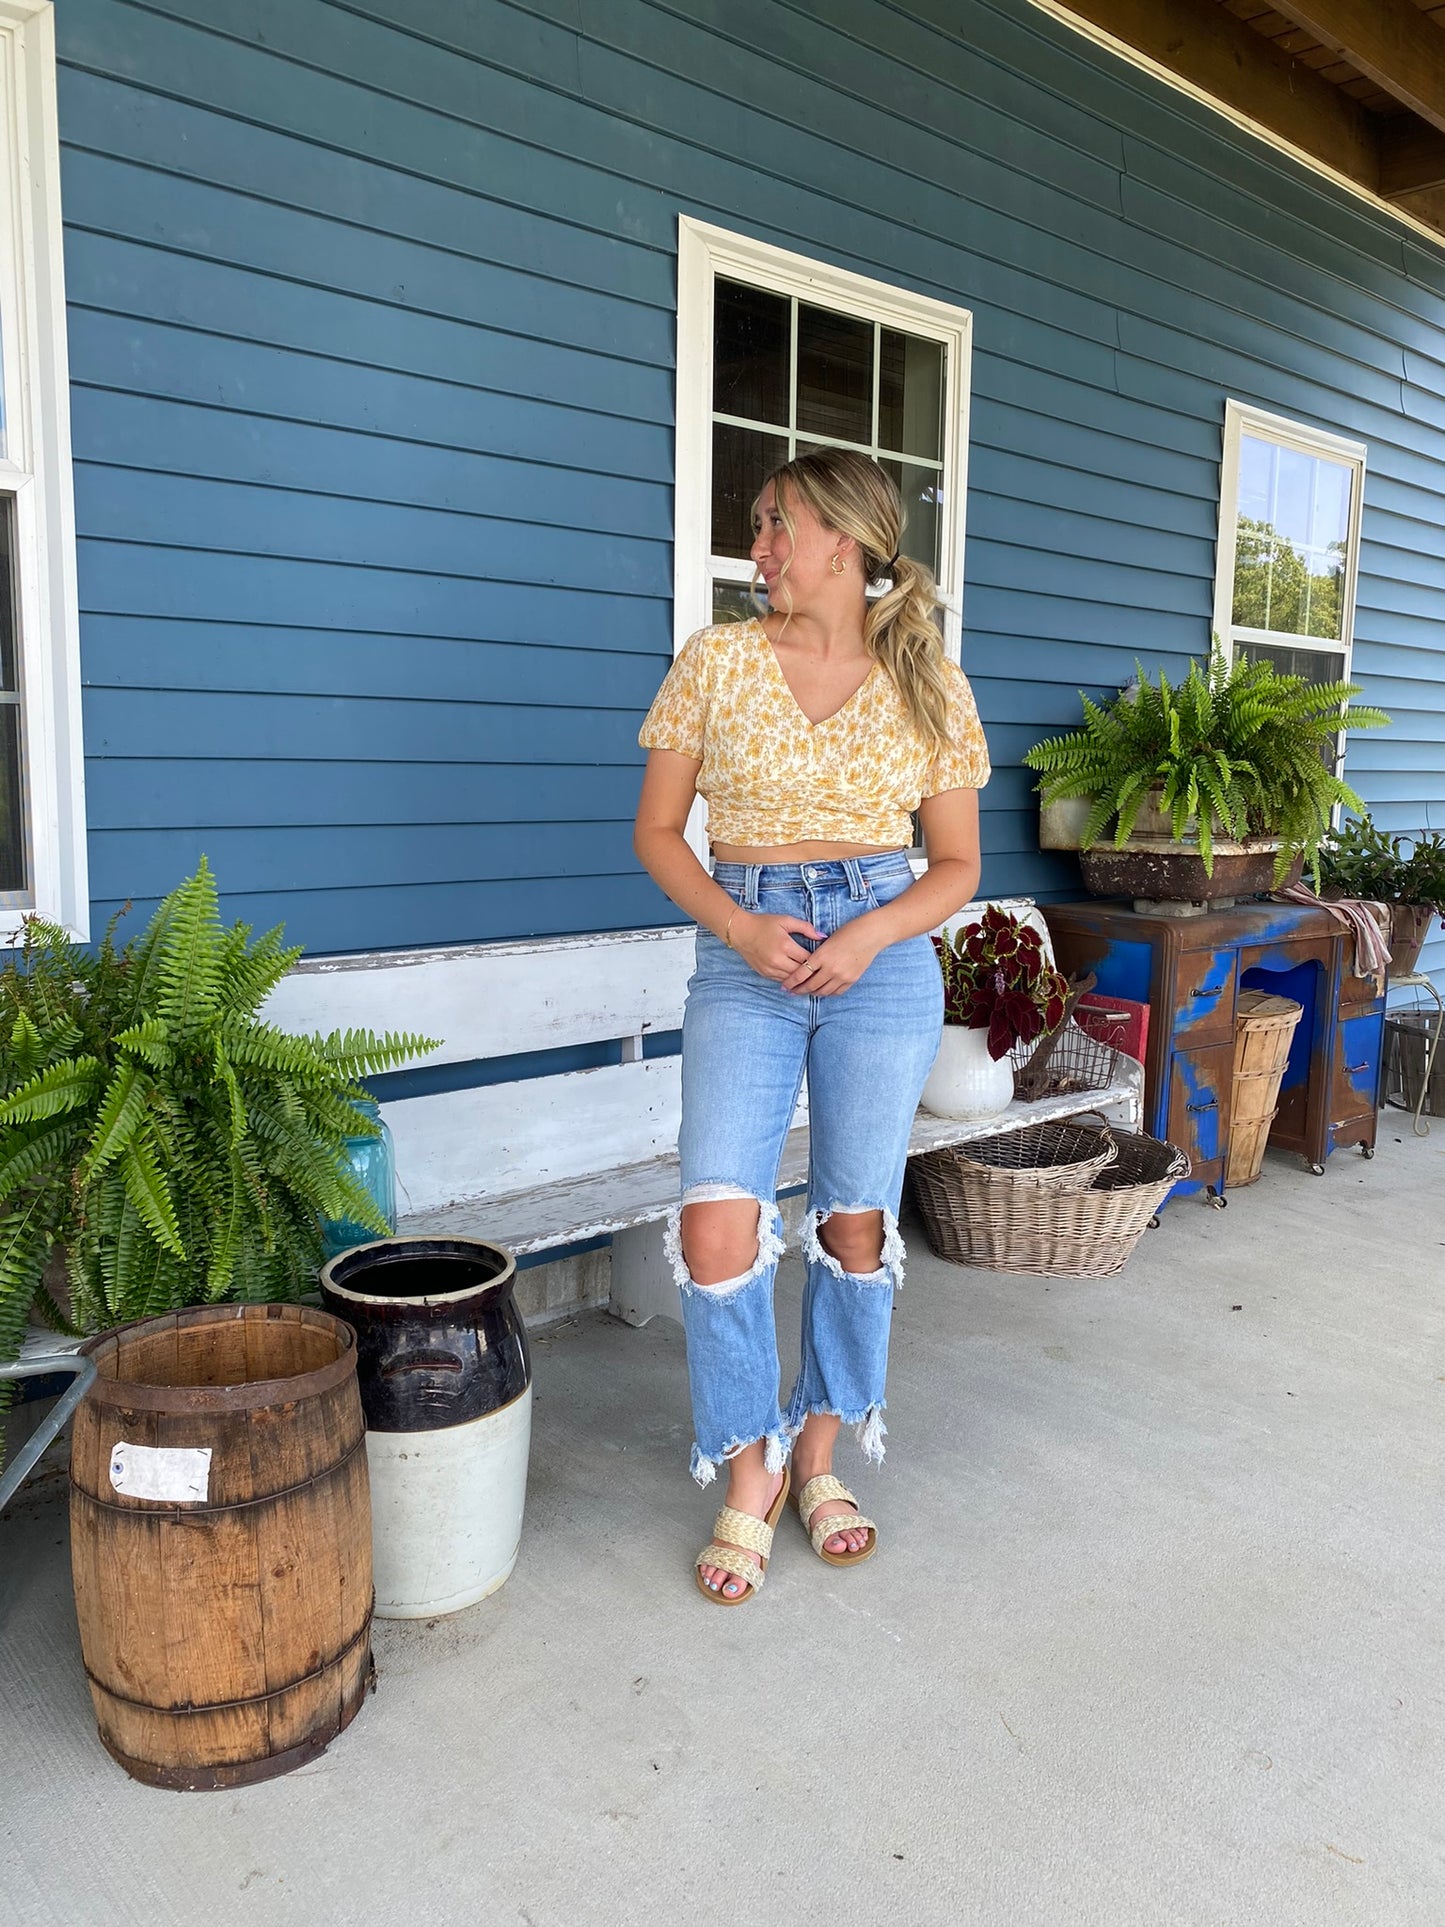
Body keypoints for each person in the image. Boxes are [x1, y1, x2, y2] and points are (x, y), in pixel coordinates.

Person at [632, 448, 990, 1605]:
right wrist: (739, 927)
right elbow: (656, 834)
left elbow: (955, 867)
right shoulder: (718, 661)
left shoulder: (927, 677)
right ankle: (751, 1465)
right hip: (747, 953)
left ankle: (822, 1454)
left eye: (779, 523)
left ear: (846, 539)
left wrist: (870, 933)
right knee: (716, 1231)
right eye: (758, 524)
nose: (760, 545)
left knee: (852, 1225)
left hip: (875, 960)